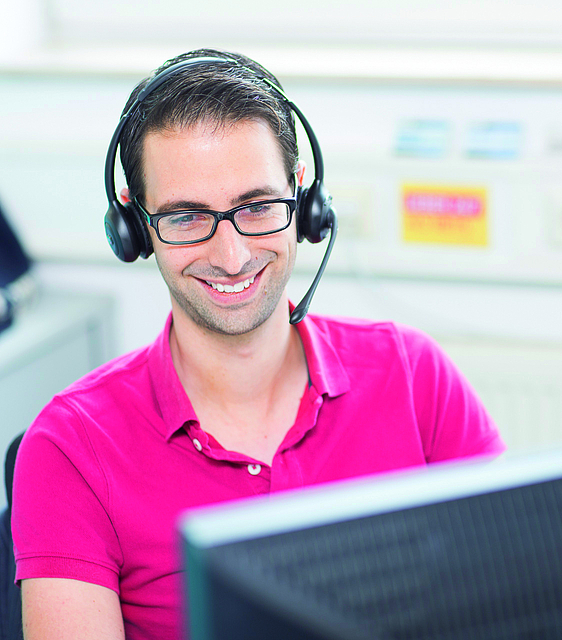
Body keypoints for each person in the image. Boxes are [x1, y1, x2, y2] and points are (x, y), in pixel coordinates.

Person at [12, 49, 504, 640]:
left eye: (258, 207)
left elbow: (518, 600)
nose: (233, 255)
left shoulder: (413, 375)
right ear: (136, 225)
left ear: (305, 200)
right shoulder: (71, 448)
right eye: (187, 217)